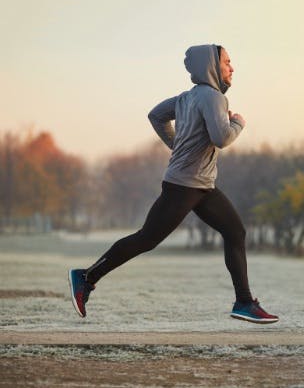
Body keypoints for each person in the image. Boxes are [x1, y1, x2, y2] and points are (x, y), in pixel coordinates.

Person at [68, 44, 279, 324]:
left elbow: (156, 115)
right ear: (212, 66)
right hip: (184, 186)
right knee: (147, 238)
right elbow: (222, 138)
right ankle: (86, 277)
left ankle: (243, 302)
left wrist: (176, 144)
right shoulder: (214, 98)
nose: (232, 67)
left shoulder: (187, 98)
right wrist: (238, 123)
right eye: (227, 62)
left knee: (235, 232)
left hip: (202, 186)